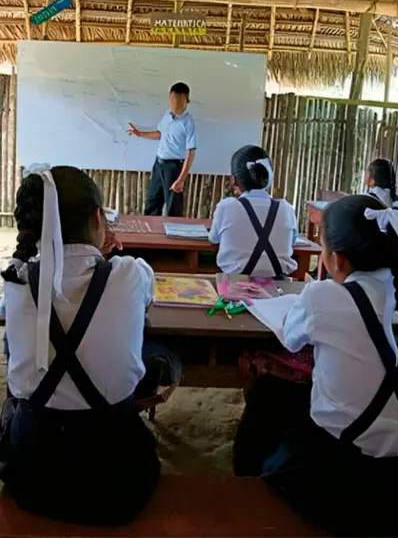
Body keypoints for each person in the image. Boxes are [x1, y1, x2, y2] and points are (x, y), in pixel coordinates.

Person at [234, 195, 398, 536]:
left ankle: (243, 485)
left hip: (344, 481)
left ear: (337, 259)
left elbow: (291, 339)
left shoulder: (323, 297)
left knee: (271, 392)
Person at [0, 165, 180, 525]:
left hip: (32, 476)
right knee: (158, 350)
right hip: (117, 482)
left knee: (18, 360)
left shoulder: (16, 282)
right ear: (99, 217)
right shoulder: (130, 273)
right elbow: (141, 299)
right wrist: (108, 259)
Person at [209, 146, 297, 279]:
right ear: (268, 178)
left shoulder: (226, 207)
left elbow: (214, 239)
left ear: (235, 180)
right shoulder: (287, 209)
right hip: (279, 284)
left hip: (235, 282)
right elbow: (292, 242)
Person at [128, 82, 198, 218]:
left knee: (173, 206)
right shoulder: (167, 115)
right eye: (172, 99)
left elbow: (191, 152)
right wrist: (139, 133)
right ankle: (151, 233)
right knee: (152, 201)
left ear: (187, 100)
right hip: (159, 163)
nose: (174, 103)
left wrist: (181, 179)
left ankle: (174, 235)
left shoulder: (189, 123)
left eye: (179, 100)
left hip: (174, 166)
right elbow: (160, 134)